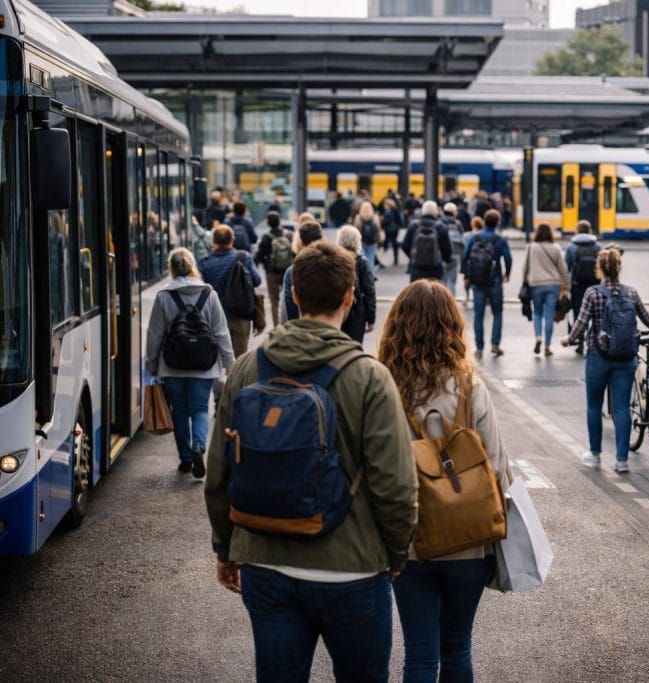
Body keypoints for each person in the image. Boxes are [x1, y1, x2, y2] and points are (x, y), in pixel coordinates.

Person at [204, 241, 418, 682]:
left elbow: (219, 470)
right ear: (349, 297)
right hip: (354, 569)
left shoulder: (247, 368)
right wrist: (395, 554)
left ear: (294, 295)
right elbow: (395, 485)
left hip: (266, 564)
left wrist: (227, 549)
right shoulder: (370, 376)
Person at [377, 280, 511, 682]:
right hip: (468, 543)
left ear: (397, 326)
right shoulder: (470, 386)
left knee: (419, 653)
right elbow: (498, 466)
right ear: (452, 326)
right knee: (457, 649)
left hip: (409, 543)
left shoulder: (384, 385)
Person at [561, 248, 649, 473]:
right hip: (625, 357)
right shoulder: (631, 293)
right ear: (620, 268)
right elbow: (646, 317)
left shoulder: (592, 293)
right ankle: (622, 461)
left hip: (599, 357)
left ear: (599, 268)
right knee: (622, 408)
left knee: (594, 405)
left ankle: (595, 455)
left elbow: (581, 324)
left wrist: (568, 340)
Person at [146, 248, 233, 477]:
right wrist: (228, 361)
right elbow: (220, 331)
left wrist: (152, 363)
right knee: (200, 409)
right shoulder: (209, 294)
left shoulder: (164, 296)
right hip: (204, 365)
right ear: (193, 266)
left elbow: (155, 334)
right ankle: (199, 447)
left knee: (180, 411)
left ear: (171, 268)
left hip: (172, 363)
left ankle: (185, 459)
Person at [199, 226, 262, 360]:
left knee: (214, 361)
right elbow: (257, 281)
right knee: (239, 361)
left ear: (213, 241)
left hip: (214, 318)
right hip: (241, 316)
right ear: (232, 240)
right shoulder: (244, 257)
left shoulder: (205, 262)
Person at [463, 209, 512, 358]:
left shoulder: (475, 237)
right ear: (497, 222)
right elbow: (508, 258)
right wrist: (507, 273)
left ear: (484, 221)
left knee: (479, 314)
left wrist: (467, 276)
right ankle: (495, 345)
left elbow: (466, 257)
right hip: (494, 279)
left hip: (477, 280)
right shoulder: (500, 240)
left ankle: (479, 347)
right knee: (497, 312)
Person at [523, 223, 569, 357]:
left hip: (535, 284)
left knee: (537, 313)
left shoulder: (531, 247)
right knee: (549, 315)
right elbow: (563, 268)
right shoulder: (555, 248)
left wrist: (524, 282)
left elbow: (525, 267)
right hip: (553, 284)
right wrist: (566, 284)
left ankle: (538, 338)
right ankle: (547, 347)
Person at [564, 219, 602, 355]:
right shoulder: (597, 246)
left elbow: (566, 267)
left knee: (578, 314)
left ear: (577, 231)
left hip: (577, 285)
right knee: (595, 314)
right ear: (590, 230)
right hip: (595, 285)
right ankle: (594, 343)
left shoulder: (571, 247)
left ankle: (580, 342)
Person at [279, 220, 325, 324]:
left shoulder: (293, 270)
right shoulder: (333, 265)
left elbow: (289, 306)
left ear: (301, 242)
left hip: (303, 327)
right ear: (321, 238)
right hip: (330, 327)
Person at [337, 225, 377, 345]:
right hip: (357, 312)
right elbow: (370, 291)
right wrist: (371, 319)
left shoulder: (333, 259)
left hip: (337, 310)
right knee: (355, 349)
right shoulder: (361, 262)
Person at [254, 212, 293, 328]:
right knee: (287, 297)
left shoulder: (266, 237)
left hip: (271, 272)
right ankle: (289, 324)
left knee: (274, 300)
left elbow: (259, 255)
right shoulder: (288, 235)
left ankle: (277, 326)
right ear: (279, 221)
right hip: (286, 270)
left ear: (267, 222)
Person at [402, 200, 453, 283]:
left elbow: (405, 246)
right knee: (434, 293)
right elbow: (447, 249)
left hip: (416, 268)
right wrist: (443, 260)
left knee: (417, 293)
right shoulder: (441, 227)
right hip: (435, 269)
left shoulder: (414, 226)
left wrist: (413, 255)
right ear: (436, 212)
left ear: (422, 211)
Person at [441, 201, 466, 296]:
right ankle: (451, 299)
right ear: (454, 212)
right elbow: (462, 239)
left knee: (442, 280)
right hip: (455, 253)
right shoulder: (458, 223)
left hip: (442, 254)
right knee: (452, 279)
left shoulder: (440, 222)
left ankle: (442, 298)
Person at [355, 201, 382, 270]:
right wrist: (379, 242)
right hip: (372, 241)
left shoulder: (358, 218)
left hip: (362, 241)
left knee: (362, 258)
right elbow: (378, 231)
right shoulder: (375, 217)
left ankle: (363, 275)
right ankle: (370, 276)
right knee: (371, 258)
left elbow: (355, 231)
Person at [381, 197, 403, 266]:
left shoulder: (388, 211)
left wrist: (382, 222)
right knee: (394, 243)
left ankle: (383, 254)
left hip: (389, 229)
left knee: (388, 241)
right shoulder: (396, 210)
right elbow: (400, 220)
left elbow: (386, 221)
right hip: (395, 229)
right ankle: (395, 258)